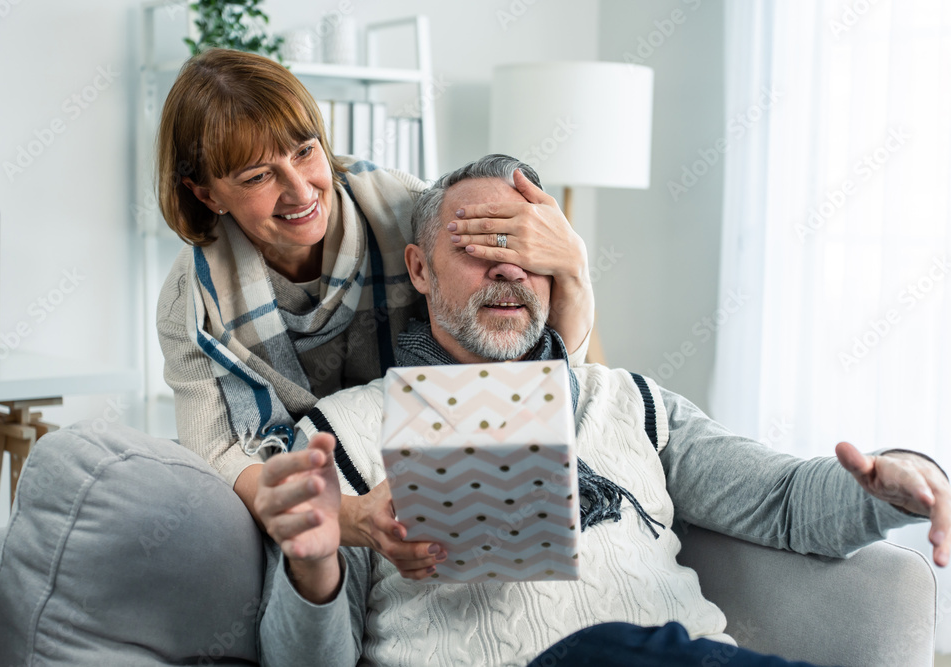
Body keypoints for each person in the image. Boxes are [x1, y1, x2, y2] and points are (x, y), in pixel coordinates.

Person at [253, 154, 950, 666]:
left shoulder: (629, 402)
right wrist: (313, 567)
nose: (508, 268)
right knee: (603, 651)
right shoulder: (338, 435)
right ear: (419, 268)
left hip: (683, 656)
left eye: (527, 247)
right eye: (478, 245)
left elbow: (787, 504)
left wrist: (907, 479)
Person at [153, 49, 594, 574]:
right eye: (256, 177)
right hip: (303, 494)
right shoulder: (193, 303)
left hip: (427, 454)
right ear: (206, 193)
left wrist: (575, 267)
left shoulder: (405, 212)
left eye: (304, 151)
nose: (299, 191)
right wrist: (347, 516)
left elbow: (532, 356)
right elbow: (224, 455)